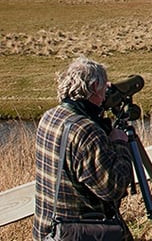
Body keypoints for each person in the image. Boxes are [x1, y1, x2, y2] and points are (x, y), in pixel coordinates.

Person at [33, 56, 133, 241]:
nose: (105, 95)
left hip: (48, 229)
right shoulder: (87, 132)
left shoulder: (49, 117)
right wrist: (120, 143)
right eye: (103, 89)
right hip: (83, 232)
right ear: (94, 87)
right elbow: (113, 188)